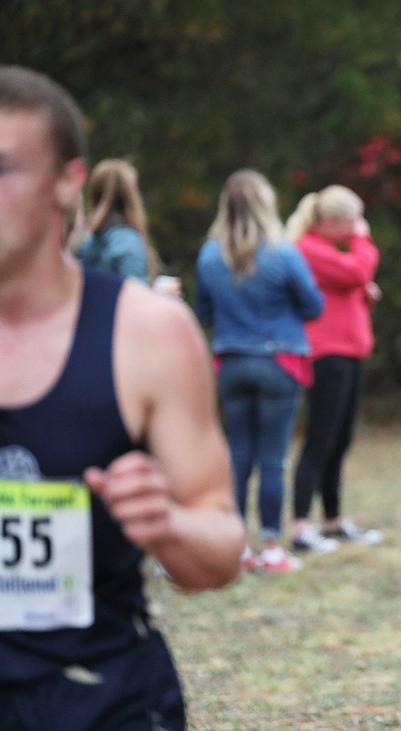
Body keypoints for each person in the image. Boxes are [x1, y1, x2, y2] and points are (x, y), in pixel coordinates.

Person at [0, 66, 245, 728]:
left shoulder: (147, 334)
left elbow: (220, 550)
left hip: (101, 700)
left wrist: (166, 522)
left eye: (3, 170)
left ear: (66, 184)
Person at [195, 169, 324, 573]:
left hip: (231, 362)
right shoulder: (282, 253)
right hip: (277, 362)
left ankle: (236, 547)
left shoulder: (209, 254)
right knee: (273, 459)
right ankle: (270, 546)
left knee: (238, 456)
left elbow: (204, 312)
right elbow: (313, 306)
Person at [285, 185, 383, 552]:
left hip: (351, 353)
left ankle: (333, 520)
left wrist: (363, 296)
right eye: (351, 222)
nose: (356, 228)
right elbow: (357, 270)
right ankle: (300, 525)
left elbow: (349, 284)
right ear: (329, 222)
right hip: (328, 355)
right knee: (320, 440)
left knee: (339, 441)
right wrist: (363, 241)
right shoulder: (308, 249)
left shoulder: (327, 250)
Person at [73, 157, 184, 299]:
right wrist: (157, 294)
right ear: (131, 196)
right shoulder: (128, 243)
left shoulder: (83, 242)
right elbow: (134, 302)